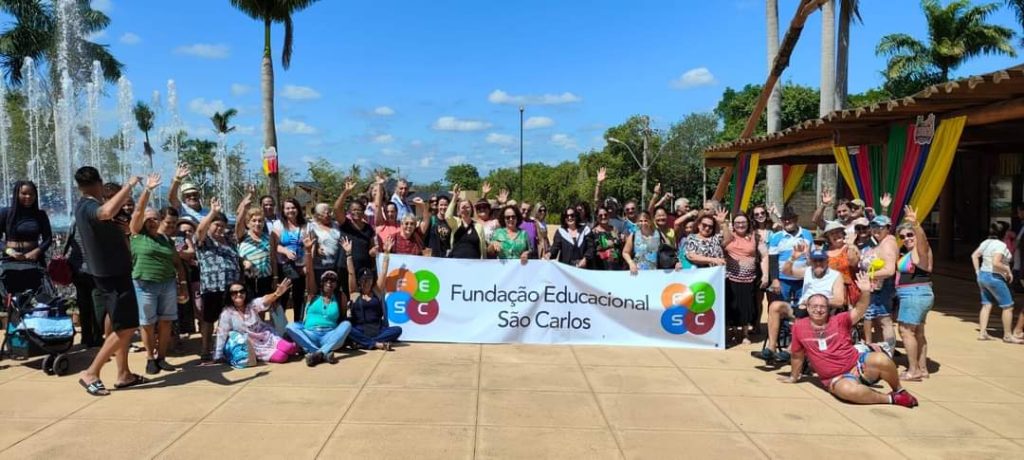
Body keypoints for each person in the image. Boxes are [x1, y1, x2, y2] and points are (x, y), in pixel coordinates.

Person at [779, 272, 919, 408]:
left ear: (828, 308)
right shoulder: (799, 327)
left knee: (881, 359)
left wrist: (865, 292)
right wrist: (793, 377)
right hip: (836, 378)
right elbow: (797, 355)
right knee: (849, 391)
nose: (818, 310)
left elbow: (859, 309)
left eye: (822, 306)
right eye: (814, 306)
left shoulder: (839, 320)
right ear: (807, 308)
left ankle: (899, 390)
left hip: (858, 364)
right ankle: (891, 399)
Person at [74, 167, 144, 396]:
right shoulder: (90, 206)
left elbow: (114, 222)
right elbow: (104, 212)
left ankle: (123, 374)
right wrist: (130, 185)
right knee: (126, 327)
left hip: (112, 272)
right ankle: (91, 372)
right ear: (99, 183)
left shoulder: (84, 207)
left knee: (120, 325)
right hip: (112, 275)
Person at [128, 174, 188, 375]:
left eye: (156, 218)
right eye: (149, 218)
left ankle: (161, 357)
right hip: (145, 284)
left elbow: (177, 263)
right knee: (147, 322)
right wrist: (147, 190)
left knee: (166, 321)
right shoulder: (137, 234)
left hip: (167, 284)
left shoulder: (165, 240)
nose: (152, 221)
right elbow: (137, 211)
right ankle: (150, 358)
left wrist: (182, 284)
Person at [763, 246, 845, 363]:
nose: (818, 264)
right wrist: (792, 258)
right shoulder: (807, 271)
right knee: (775, 306)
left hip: (821, 312)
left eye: (821, 260)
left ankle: (790, 350)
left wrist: (816, 301)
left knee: (804, 312)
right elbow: (786, 271)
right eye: (815, 261)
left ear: (827, 261)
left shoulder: (835, 275)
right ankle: (771, 349)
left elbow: (839, 300)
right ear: (811, 261)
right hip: (801, 306)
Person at [286, 234, 352, 366]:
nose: (329, 282)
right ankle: (322, 353)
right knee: (290, 326)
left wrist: (348, 254)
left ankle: (316, 353)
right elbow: (309, 273)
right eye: (326, 279)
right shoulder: (313, 295)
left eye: (332, 280)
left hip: (330, 336)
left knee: (347, 325)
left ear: (336, 284)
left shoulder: (340, 297)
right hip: (310, 334)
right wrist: (308, 251)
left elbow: (343, 317)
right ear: (321, 283)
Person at [196, 198, 242, 364]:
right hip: (212, 287)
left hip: (231, 288)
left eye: (222, 225)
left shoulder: (230, 241)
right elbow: (200, 230)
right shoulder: (205, 241)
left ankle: (223, 350)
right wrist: (212, 212)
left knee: (228, 320)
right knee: (208, 320)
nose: (220, 228)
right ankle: (205, 350)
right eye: (216, 225)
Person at [214, 279, 298, 365]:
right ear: (229, 295)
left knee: (289, 348)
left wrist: (276, 293)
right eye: (234, 293)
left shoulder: (252, 305)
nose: (238, 294)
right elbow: (222, 334)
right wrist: (218, 355)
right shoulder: (227, 314)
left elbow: (264, 300)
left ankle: (300, 346)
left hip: (267, 337)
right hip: (253, 347)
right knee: (282, 357)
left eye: (241, 291)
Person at [895, 206, 935, 379]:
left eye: (909, 235)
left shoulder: (920, 252)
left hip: (914, 294)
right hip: (918, 294)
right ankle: (922, 368)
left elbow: (923, 244)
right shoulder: (910, 252)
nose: (906, 238)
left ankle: (913, 370)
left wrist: (916, 225)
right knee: (918, 332)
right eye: (902, 236)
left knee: (905, 331)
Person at [343, 237, 402, 350]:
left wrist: (386, 253)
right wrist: (348, 254)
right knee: (347, 328)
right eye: (364, 279)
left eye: (369, 279)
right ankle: (376, 344)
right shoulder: (355, 293)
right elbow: (351, 273)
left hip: (378, 329)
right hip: (360, 328)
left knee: (397, 330)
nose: (367, 282)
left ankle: (364, 343)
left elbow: (384, 272)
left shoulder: (377, 291)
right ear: (359, 281)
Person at [973, 222, 1024, 343]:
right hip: (995, 277)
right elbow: (996, 262)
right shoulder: (1000, 245)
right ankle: (1007, 335)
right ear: (1004, 232)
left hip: (983, 275)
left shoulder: (985, 242)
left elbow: (974, 255)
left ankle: (982, 333)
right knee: (1008, 306)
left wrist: (977, 271)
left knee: (986, 304)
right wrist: (1007, 270)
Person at [722, 212, 768, 344]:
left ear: (748, 223)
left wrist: (765, 275)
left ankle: (745, 334)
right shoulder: (729, 236)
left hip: (749, 279)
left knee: (747, 307)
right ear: (733, 225)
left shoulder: (756, 236)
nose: (740, 225)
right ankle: (733, 332)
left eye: (743, 222)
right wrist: (724, 224)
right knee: (732, 306)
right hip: (730, 279)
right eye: (737, 223)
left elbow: (764, 256)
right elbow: (722, 245)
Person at [0, 180, 52, 295]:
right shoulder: (6, 213)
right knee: (10, 296)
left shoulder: (40, 215)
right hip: (10, 260)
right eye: (24, 193)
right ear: (16, 194)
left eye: (32, 194)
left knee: (37, 295)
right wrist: (9, 251)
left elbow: (48, 239)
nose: (28, 197)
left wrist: (36, 252)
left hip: (34, 260)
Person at [334, 179, 379, 290]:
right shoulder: (345, 224)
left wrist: (373, 253)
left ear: (363, 211)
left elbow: (371, 249)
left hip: (363, 268)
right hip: (344, 267)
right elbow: (336, 208)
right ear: (349, 211)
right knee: (346, 296)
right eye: (353, 210)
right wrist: (346, 192)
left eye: (359, 210)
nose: (356, 212)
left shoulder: (369, 228)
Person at [766, 206, 814, 305]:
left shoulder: (807, 234)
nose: (787, 221)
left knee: (802, 307)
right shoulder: (775, 237)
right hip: (783, 280)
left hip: (803, 279)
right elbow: (773, 260)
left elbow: (812, 257)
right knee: (782, 308)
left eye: (790, 219)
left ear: (796, 219)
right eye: (784, 219)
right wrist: (775, 280)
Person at [863, 215, 898, 351]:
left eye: (880, 227)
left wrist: (868, 275)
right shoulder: (882, 241)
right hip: (878, 287)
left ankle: (889, 352)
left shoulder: (888, 243)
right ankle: (880, 351)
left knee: (885, 321)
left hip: (883, 288)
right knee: (879, 321)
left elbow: (889, 270)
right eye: (874, 226)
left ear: (888, 228)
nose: (876, 229)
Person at [235, 192, 278, 299]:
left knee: (263, 307)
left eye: (260, 221)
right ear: (248, 223)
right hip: (248, 279)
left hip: (266, 278)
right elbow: (238, 225)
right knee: (249, 308)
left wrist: (275, 277)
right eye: (254, 221)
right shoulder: (243, 236)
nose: (257, 223)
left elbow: (273, 258)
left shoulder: (268, 237)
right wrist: (244, 209)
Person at [273, 198, 307, 322]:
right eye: (287, 208)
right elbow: (274, 246)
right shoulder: (278, 225)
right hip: (284, 266)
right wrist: (285, 251)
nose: (290, 210)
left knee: (299, 297)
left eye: (293, 207)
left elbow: (310, 246)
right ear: (283, 210)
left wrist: (307, 265)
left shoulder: (305, 225)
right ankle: (281, 326)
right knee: (283, 297)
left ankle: (297, 325)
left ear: (298, 209)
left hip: (300, 267)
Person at [822, 220, 861, 306]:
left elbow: (854, 263)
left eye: (838, 232)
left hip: (849, 292)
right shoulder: (824, 253)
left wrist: (850, 245)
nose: (835, 235)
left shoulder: (851, 247)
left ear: (843, 234)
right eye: (832, 234)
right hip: (830, 291)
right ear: (828, 238)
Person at [444, 184, 487, 259]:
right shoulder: (455, 223)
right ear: (458, 211)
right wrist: (455, 197)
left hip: (474, 264)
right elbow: (447, 216)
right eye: (462, 208)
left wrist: (483, 262)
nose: (465, 209)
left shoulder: (478, 226)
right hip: (456, 263)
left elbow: (483, 248)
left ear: (471, 209)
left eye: (467, 207)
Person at [591, 206, 624, 270]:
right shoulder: (593, 232)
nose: (603, 217)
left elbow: (619, 245)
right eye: (600, 215)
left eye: (605, 215)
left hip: (617, 268)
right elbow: (593, 251)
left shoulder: (614, 230)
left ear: (608, 216)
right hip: (601, 269)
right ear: (597, 217)